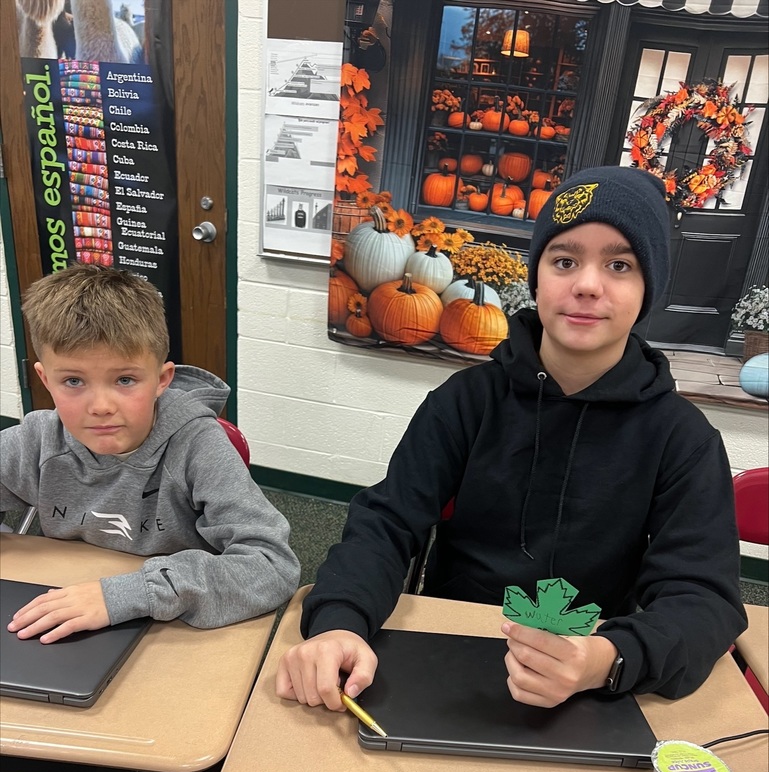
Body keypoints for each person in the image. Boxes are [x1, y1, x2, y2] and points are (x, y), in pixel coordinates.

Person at [277, 165, 747, 710]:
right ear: (538, 276)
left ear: (647, 291)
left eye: (619, 265)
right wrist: (340, 622)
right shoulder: (467, 401)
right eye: (564, 261)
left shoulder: (683, 440)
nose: (587, 285)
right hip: (448, 646)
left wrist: (609, 659)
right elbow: (386, 523)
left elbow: (704, 598)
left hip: (592, 674)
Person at [1, 264, 300, 642]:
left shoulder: (197, 444)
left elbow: (273, 566)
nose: (101, 406)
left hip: (168, 623)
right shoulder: (40, 439)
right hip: (65, 611)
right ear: (46, 379)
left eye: (125, 380)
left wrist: (128, 594)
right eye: (73, 381)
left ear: (161, 379)